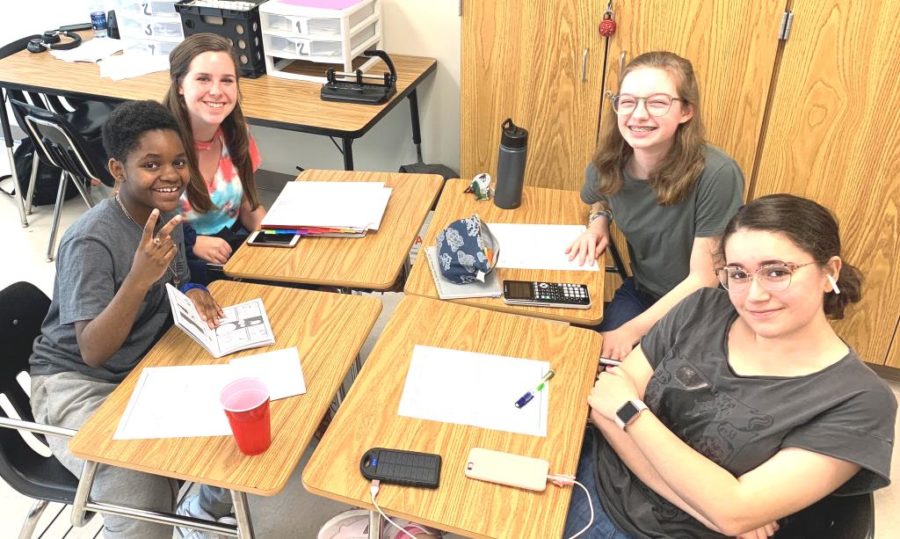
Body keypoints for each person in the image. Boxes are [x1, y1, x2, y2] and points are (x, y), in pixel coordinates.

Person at [564, 194, 897, 538]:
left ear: (829, 272)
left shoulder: (859, 401)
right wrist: (708, 508)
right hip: (586, 471)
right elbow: (604, 404)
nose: (753, 295)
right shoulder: (703, 308)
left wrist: (630, 412)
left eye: (777, 272)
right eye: (738, 273)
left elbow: (734, 511)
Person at [29, 100, 230, 539]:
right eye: (151, 164)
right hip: (75, 382)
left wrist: (194, 290)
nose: (171, 175)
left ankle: (202, 512)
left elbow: (174, 283)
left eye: (179, 161)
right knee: (142, 490)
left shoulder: (166, 217)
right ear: (118, 170)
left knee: (239, 411)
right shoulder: (90, 241)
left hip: (142, 362)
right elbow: (94, 351)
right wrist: (138, 278)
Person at [566, 51, 744, 360]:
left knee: (648, 389)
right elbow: (598, 195)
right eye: (628, 101)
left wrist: (629, 332)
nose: (638, 115)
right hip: (643, 292)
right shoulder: (607, 163)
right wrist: (599, 221)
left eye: (658, 103)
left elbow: (704, 278)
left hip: (700, 309)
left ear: (686, 111)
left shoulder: (717, 174)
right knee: (592, 364)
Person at [163, 33, 266, 283]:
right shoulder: (155, 145)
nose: (217, 91)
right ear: (179, 84)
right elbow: (132, 225)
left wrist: (276, 235)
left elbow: (247, 206)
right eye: (203, 79)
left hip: (230, 249)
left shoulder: (237, 133)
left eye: (227, 80)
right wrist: (192, 242)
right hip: (174, 262)